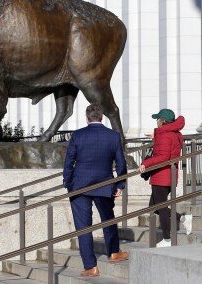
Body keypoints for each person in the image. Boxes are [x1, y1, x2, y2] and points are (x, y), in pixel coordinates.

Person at [62, 103, 128, 277]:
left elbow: (69, 162)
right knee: (108, 220)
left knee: (83, 227)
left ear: (87, 118)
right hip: (104, 185)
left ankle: (91, 266)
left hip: (79, 186)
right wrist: (120, 184)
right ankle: (114, 252)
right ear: (102, 117)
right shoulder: (113, 136)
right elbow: (121, 163)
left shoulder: (78, 135)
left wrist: (69, 185)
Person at [140, 108, 192, 247]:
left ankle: (167, 239)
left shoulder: (164, 135)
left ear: (162, 121)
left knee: (161, 207)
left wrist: (146, 163)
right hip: (170, 175)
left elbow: (163, 156)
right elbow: (169, 146)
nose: (156, 121)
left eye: (158, 119)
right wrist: (155, 136)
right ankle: (182, 218)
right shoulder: (175, 133)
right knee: (154, 206)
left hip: (161, 175)